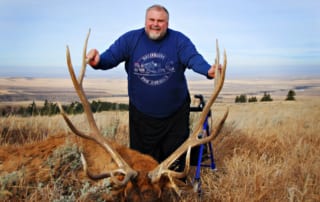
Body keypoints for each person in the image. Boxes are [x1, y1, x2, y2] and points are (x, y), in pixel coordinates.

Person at [86, 4, 219, 171]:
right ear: (145, 21)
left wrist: (208, 70)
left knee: (175, 164)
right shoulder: (130, 39)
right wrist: (97, 62)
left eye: (160, 21)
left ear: (167, 23)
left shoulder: (179, 40)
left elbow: (193, 58)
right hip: (141, 116)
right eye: (152, 20)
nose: (155, 24)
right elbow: (110, 57)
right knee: (143, 166)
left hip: (175, 115)